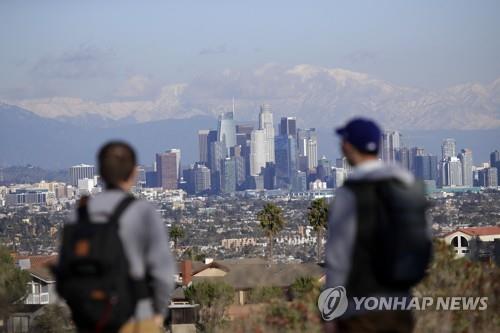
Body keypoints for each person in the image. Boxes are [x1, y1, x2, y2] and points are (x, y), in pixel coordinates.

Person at [58, 142, 176, 333]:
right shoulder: (142, 212)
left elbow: (64, 272)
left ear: (101, 174)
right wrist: (158, 312)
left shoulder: (78, 214)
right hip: (136, 318)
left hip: (90, 320)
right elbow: (163, 273)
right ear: (134, 173)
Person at [324, 118, 428, 333]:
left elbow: (338, 260)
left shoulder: (351, 193)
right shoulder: (405, 185)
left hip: (361, 310)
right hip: (400, 306)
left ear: (348, 146)